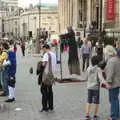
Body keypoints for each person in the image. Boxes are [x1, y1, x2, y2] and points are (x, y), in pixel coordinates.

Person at [84, 56, 106, 120]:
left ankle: (87, 115)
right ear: (97, 62)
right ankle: (95, 115)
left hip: (89, 87)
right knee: (96, 102)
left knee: (89, 100)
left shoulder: (88, 68)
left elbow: (86, 78)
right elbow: (101, 78)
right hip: (96, 88)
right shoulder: (98, 69)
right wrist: (105, 83)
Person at [104, 44, 120, 120]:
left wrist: (108, 83)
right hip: (117, 82)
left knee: (112, 100)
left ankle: (113, 116)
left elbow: (110, 73)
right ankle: (117, 114)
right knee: (116, 99)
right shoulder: (116, 58)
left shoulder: (111, 61)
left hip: (113, 83)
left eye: (105, 52)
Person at [40, 44, 56, 112]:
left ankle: (44, 107)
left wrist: (40, 63)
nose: (43, 50)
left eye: (43, 49)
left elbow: (44, 64)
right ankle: (51, 106)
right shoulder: (54, 54)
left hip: (46, 75)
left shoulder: (46, 54)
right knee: (50, 90)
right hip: (52, 74)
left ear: (45, 48)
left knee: (43, 90)